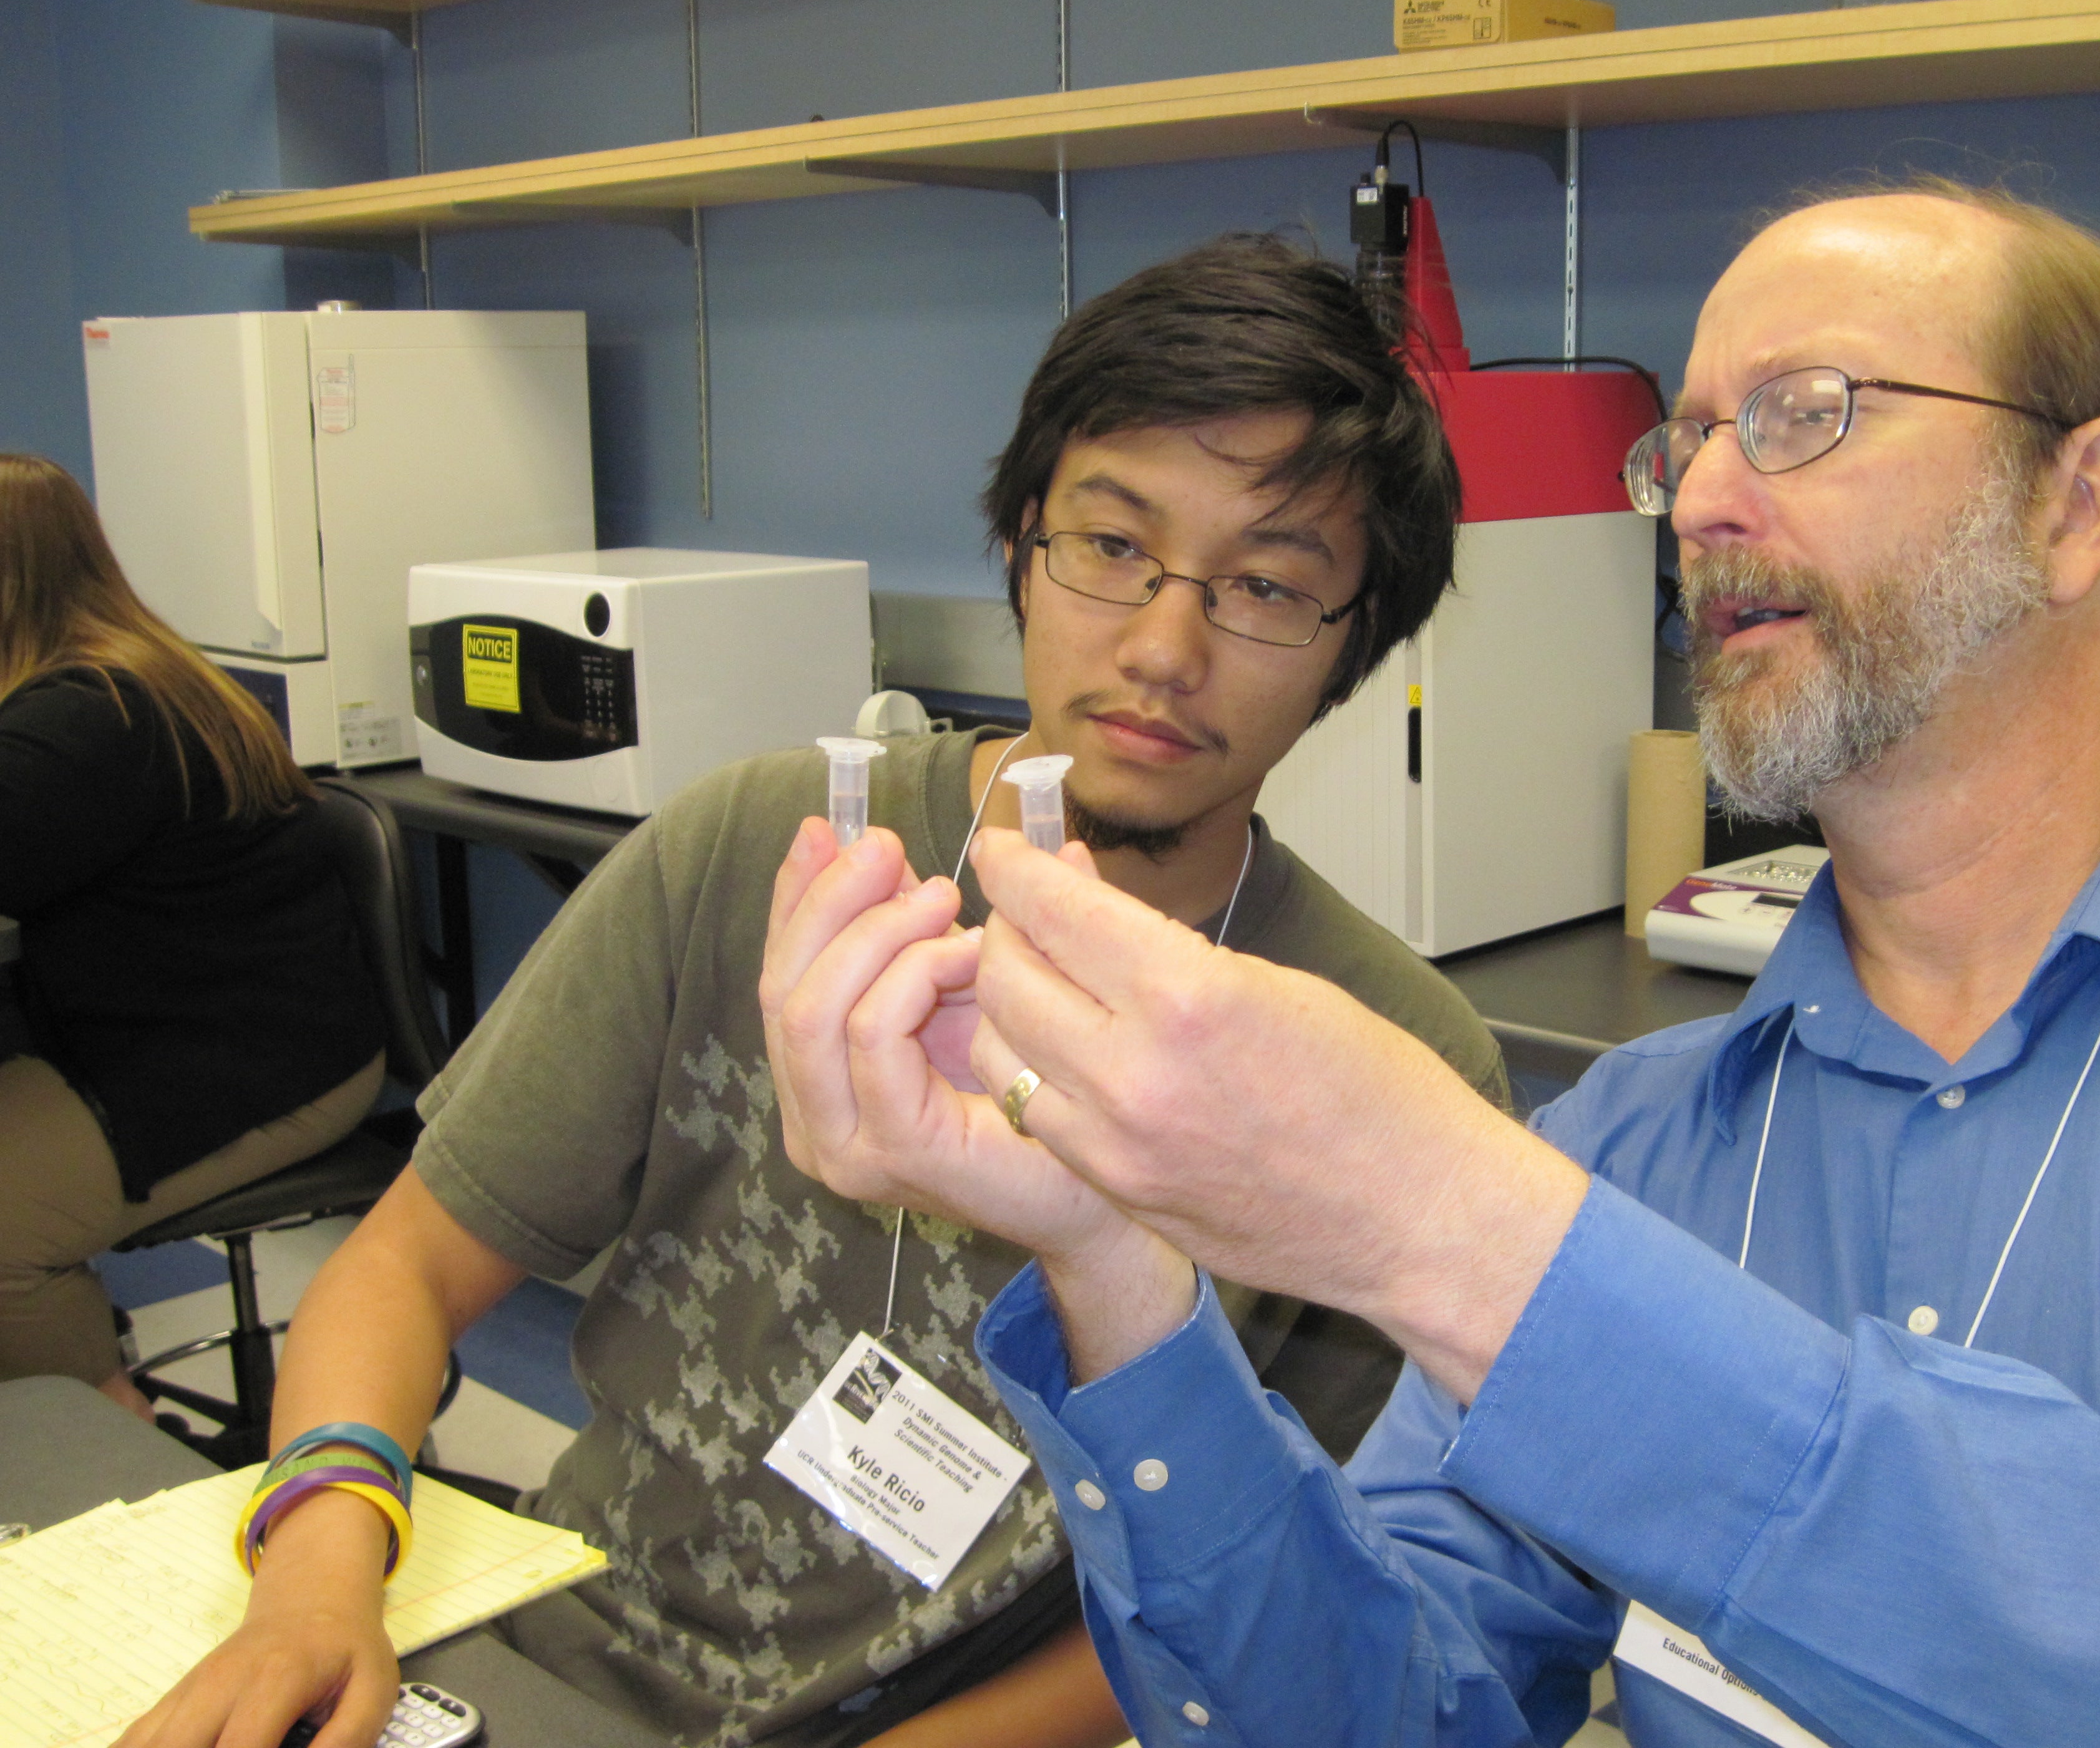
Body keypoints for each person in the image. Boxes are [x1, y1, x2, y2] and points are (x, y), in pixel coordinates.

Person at [769, 183, 2100, 1744]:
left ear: (2079, 500)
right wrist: (1113, 1257)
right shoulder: (1636, 1141)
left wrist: (1448, 1226)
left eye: (1803, 414)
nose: (1703, 505)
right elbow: (1378, 1721)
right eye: (1683, 448)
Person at [124, 233, 1509, 1748]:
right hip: (560, 1657)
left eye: (1265, 586)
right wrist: (315, 1584)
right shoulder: (751, 854)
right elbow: (400, 1265)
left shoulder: (1392, 1067)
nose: (1164, 648)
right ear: (1019, 545)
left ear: (1351, 647)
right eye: (1112, 546)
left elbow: (1252, 1598)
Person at [0, 452, 384, 1415]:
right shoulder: (123, 671)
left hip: (249, 1061)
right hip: (202, 1028)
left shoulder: (86, 717)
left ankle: (112, 1458)